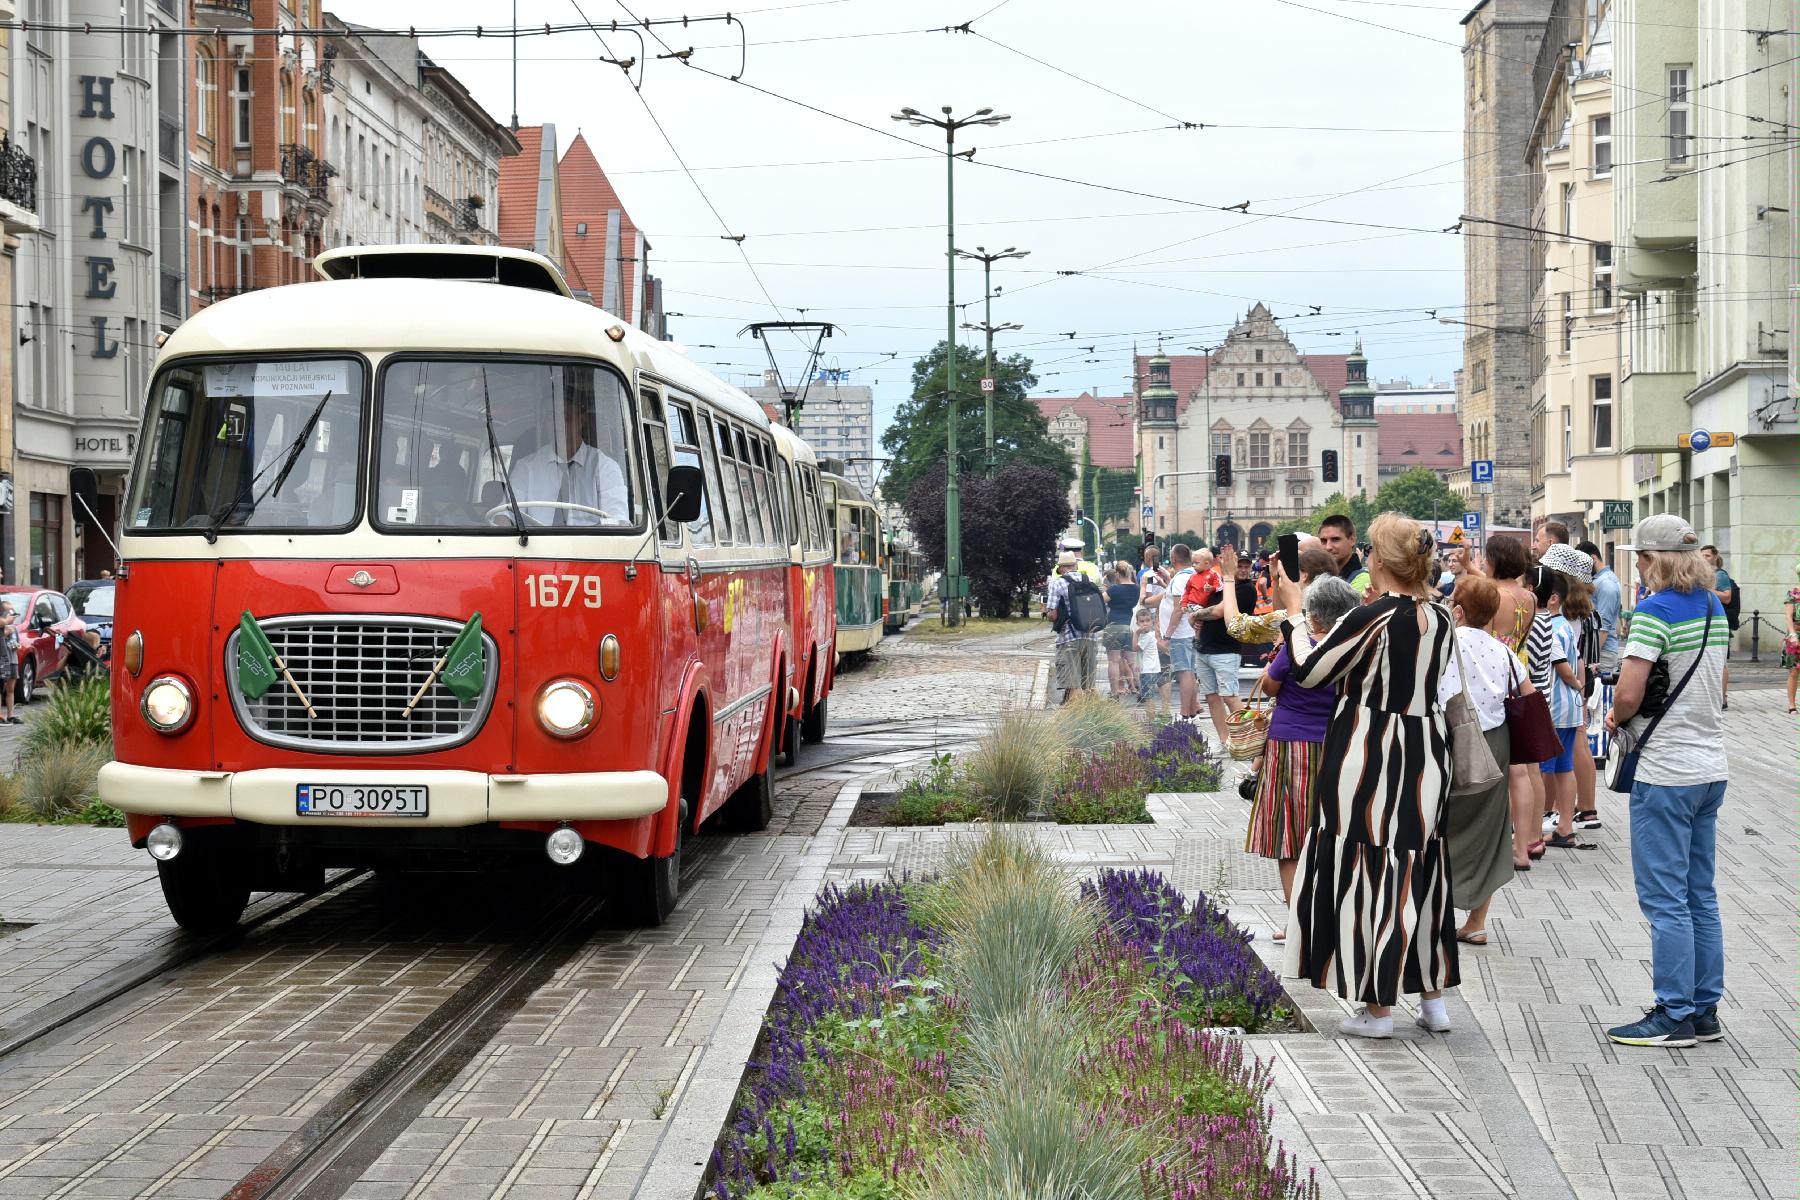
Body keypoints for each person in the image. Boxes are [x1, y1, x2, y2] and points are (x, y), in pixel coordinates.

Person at [1272, 512, 1458, 1038]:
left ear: (1378, 560)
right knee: (1420, 865)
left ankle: (1377, 1009)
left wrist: (1292, 615)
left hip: (1368, 751)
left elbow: (1310, 671)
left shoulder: (1372, 615)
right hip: (1427, 750)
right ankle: (1433, 998)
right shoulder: (1440, 617)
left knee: (1368, 865)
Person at [1603, 515, 1728, 1048]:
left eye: (1640, 557)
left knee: (1664, 899)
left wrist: (1613, 717)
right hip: (1710, 765)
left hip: (1666, 770)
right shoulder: (1713, 606)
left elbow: (1630, 694)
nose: (1637, 565)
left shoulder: (1653, 612)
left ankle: (1672, 1013)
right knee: (1700, 893)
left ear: (1652, 560)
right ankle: (1704, 1009)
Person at [1247, 574, 1358, 941]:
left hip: (1290, 743)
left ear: (1316, 614)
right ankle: (1332, 915)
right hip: (1340, 744)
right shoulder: (1354, 646)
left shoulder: (1301, 641)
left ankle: (1299, 919)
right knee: (1332, 832)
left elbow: (1270, 684)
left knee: (1289, 836)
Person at [1439, 575, 1529, 949]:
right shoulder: (1504, 651)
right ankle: (1476, 922)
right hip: (1496, 741)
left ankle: (1437, 913)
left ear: (1457, 609)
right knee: (1490, 830)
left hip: (1451, 739)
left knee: (1443, 825)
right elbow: (1528, 694)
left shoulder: (1445, 644)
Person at [1481, 537, 1548, 865]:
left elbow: (1487, 636)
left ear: (1494, 559)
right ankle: (1533, 837)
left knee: (1510, 768)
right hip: (1521, 672)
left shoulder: (1493, 595)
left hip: (1495, 676)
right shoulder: (1530, 598)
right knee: (1529, 764)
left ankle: (1508, 843)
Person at [1536, 550, 1594, 850]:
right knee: (1564, 767)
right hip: (1570, 707)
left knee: (1543, 768)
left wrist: (1574, 682)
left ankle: (1537, 826)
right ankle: (1565, 826)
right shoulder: (1569, 624)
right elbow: (1580, 660)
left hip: (1555, 707)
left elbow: (1563, 666)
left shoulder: (1551, 627)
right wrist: (1580, 690)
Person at [510, 395, 629, 526]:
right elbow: (506, 515)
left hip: (590, 545)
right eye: (552, 416)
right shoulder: (526, 467)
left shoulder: (605, 468)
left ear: (581, 419)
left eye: (566, 415)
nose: (559, 422)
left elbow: (617, 521)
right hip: (532, 544)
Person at [1185, 548, 1254, 745]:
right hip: (1204, 648)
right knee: (1212, 697)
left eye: (1245, 565)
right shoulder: (1219, 584)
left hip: (1226, 650)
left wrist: (1196, 615)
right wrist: (1195, 617)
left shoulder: (1246, 589)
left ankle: (1246, 741)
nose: (1241, 569)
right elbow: (1201, 604)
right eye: (1238, 564)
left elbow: (1218, 612)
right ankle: (1226, 742)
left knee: (1230, 697)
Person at [1046, 550, 1099, 701]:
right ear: (1075, 566)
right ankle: (1094, 715)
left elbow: (1053, 615)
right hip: (1091, 636)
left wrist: (1049, 615)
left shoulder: (1058, 583)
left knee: (1073, 684)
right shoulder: (1088, 580)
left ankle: (1075, 717)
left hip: (1069, 638)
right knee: (1088, 685)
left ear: (1061, 568)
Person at [1159, 544, 1202, 722]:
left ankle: (1185, 714)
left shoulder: (1180, 580)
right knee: (1190, 672)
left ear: (1173, 559)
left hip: (1180, 634)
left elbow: (1178, 609)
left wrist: (1167, 635)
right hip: (1189, 632)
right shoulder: (1192, 575)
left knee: (1184, 673)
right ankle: (1191, 710)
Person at [1581, 540, 1622, 677]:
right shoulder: (1600, 580)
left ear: (1593, 558)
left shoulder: (1606, 584)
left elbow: (1603, 629)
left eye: (1583, 563)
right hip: (1600, 652)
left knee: (1599, 697)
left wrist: (1592, 659)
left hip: (1602, 655)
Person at [1701, 545, 1735, 709]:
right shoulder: (1703, 574)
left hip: (1718, 622)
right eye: (1702, 556)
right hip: (1706, 621)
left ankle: (1722, 697)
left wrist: (1706, 590)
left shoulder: (1720, 575)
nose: (1704, 559)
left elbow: (1727, 597)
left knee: (1721, 662)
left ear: (1715, 557)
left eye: (1707, 555)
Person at [1102, 562, 1141, 698]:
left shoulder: (1114, 590)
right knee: (1133, 661)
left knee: (1114, 660)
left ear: (1117, 574)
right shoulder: (1138, 589)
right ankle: (1141, 690)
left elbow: (1101, 601)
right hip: (1132, 627)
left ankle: (1114, 693)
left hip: (1114, 625)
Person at [1318, 513, 1372, 597]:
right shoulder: (1319, 577)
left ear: (1352, 540)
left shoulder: (1363, 578)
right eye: (1324, 541)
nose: (1328, 547)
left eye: (1335, 539)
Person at [1135, 607, 1165, 716]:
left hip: (1147, 670)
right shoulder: (1152, 634)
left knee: (1148, 697)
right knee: (1149, 695)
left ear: (1151, 622)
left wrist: (1135, 634)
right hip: (1152, 669)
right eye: (1142, 621)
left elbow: (1135, 648)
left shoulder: (1145, 637)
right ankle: (1151, 718)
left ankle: (1150, 720)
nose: (1145, 623)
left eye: (1147, 620)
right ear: (1137, 622)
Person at [1784, 562, 1800, 714]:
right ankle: (1792, 704)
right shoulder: (1793, 594)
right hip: (1797, 635)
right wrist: (1792, 634)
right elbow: (1788, 617)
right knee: (1794, 671)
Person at [0, 602, 18, 724]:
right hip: (3, 658)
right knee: (1, 686)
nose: (12, 615)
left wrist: (17, 646)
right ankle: (1, 716)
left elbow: (17, 642)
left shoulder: (14, 628)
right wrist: (6, 627)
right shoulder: (4, 626)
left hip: (11, 659)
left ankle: (11, 715)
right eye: (9, 613)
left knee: (11, 688)